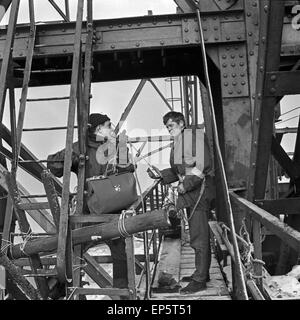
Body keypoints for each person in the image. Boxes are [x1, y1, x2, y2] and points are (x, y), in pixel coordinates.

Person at [47, 113, 135, 295]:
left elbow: (128, 172)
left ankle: (121, 292)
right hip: (88, 210)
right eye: (108, 126)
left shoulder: (116, 146)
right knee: (73, 249)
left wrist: (122, 149)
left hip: (113, 208)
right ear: (97, 129)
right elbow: (54, 166)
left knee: (120, 252)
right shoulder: (80, 147)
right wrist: (71, 158)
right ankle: (61, 286)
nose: (112, 130)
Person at [148, 111, 215, 294]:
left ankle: (200, 279)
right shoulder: (179, 142)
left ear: (182, 123)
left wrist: (186, 185)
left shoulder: (194, 137)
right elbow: (178, 170)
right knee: (197, 234)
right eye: (167, 126)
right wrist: (161, 175)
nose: (169, 129)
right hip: (191, 194)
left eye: (171, 125)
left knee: (198, 236)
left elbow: (203, 166)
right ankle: (202, 273)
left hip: (199, 192)